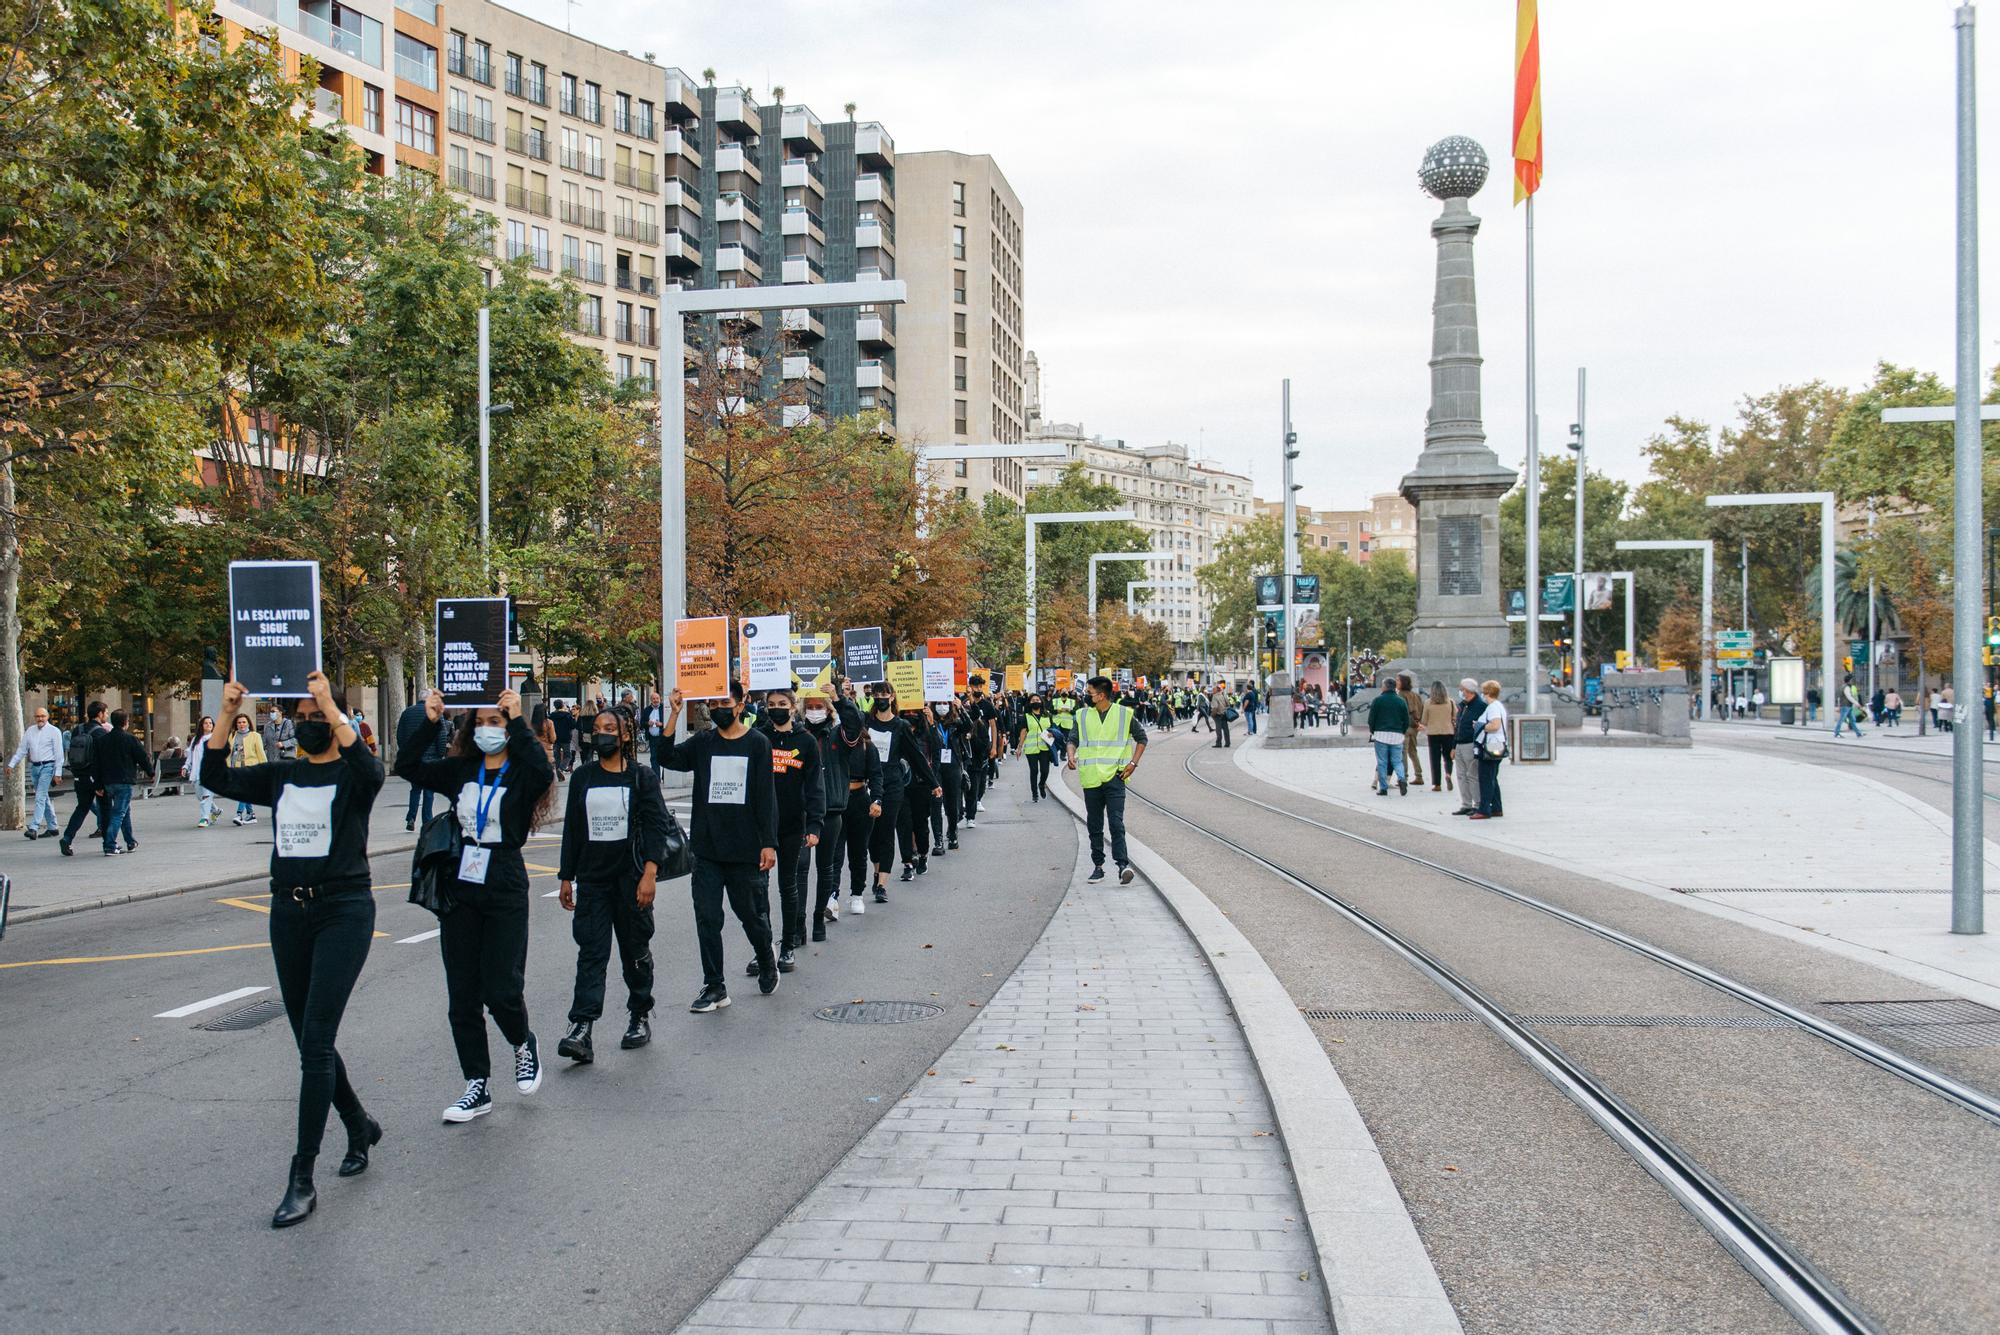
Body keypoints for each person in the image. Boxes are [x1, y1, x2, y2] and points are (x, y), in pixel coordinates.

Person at [200, 671, 385, 1228]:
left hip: (344, 910)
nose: (306, 726)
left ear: (334, 720)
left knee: (316, 1040)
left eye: (315, 718)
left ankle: (301, 1175)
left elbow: (373, 772)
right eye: (301, 718)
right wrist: (230, 712)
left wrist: (332, 706)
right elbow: (213, 776)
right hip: (288, 911)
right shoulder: (281, 776)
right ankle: (357, 1123)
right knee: (310, 1039)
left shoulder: (354, 777)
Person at [397, 687, 556, 1124]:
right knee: (462, 992)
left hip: (504, 879)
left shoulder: (522, 773)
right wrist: (429, 721)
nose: (488, 729)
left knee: (500, 986)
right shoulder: (461, 769)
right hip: (461, 882)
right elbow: (406, 767)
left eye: (496, 722)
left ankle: (523, 1042)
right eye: (482, 722)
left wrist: (520, 719)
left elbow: (544, 771)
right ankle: (476, 1084)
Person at [556, 708, 669, 1064]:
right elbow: (573, 829)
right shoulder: (583, 777)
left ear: (624, 736)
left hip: (632, 880)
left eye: (610, 729)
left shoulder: (641, 777)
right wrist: (565, 876)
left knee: (634, 951)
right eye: (598, 728)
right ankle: (582, 1027)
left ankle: (639, 1015)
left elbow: (656, 827)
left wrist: (650, 873)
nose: (602, 733)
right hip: (593, 880)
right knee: (591, 953)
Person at [658, 685, 780, 1013]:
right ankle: (715, 986)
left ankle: (766, 958)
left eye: (724, 702)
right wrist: (673, 712)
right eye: (713, 703)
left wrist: (768, 843)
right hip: (707, 849)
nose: (717, 708)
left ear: (741, 705)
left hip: (744, 850)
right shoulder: (704, 743)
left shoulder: (757, 744)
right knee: (707, 918)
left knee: (751, 916)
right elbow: (666, 757)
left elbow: (765, 796)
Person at [758, 687, 823, 971]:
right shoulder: (758, 739)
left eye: (782, 703)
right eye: (771, 704)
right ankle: (764, 948)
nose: (776, 708)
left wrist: (814, 824)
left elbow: (814, 787)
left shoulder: (806, 741)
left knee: (788, 886)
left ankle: (788, 945)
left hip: (792, 824)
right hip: (760, 827)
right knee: (758, 890)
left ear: (793, 707)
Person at [859, 688, 940, 906]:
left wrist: (933, 783)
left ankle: (883, 884)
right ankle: (876, 872)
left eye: (885, 694)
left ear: (892, 697)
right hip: (868, 786)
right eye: (877, 695)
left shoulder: (901, 726)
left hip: (892, 786)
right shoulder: (866, 722)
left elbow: (916, 756)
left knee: (886, 833)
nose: (881, 698)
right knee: (872, 837)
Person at [802, 685, 871, 940]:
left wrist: (838, 698)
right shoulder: (799, 735)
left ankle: (820, 916)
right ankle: (798, 923)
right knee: (798, 868)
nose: (814, 711)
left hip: (831, 808)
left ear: (828, 710)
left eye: (819, 707)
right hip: (802, 811)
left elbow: (855, 722)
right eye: (809, 707)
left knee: (826, 866)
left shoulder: (838, 736)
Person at [1068, 676, 1146, 884]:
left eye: (1090, 692)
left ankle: (1123, 865)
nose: (1086, 695)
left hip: (1115, 777)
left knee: (1115, 822)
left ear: (1101, 695)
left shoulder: (1124, 714)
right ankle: (1098, 866)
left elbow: (1142, 739)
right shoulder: (1083, 715)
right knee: (1094, 824)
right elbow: (1072, 739)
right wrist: (1070, 754)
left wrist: (1133, 764)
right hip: (1091, 777)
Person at [92, 709, 151, 855]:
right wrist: (151, 772)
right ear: (126, 722)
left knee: (125, 811)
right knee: (118, 813)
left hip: (107, 782)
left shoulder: (102, 740)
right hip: (124, 781)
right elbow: (142, 757)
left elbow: (96, 763)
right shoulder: (130, 739)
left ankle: (130, 841)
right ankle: (110, 844)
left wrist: (98, 784)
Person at [57, 701, 109, 856]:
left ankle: (67, 838)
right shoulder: (100, 733)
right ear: (99, 714)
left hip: (80, 776)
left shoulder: (77, 730)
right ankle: (108, 843)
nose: (106, 715)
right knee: (105, 809)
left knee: (82, 808)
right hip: (95, 777)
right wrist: (100, 782)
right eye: (105, 712)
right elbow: (102, 759)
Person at [8, 705, 64, 838]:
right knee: (43, 797)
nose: (40, 719)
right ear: (34, 717)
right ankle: (52, 827)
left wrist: (58, 773)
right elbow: (22, 750)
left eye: (43, 716)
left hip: (48, 767)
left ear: (48, 717)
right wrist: (11, 764)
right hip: (34, 767)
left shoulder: (54, 731)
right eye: (38, 716)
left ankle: (34, 827)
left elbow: (59, 754)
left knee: (39, 796)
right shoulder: (30, 731)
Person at [398, 697, 451, 831]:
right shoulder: (435, 713)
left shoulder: (407, 713)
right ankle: (427, 820)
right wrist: (441, 753)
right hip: (431, 758)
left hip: (415, 759)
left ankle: (411, 818)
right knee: (429, 792)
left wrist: (407, 752)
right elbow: (442, 734)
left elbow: (400, 735)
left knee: (415, 790)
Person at [930, 697, 969, 851]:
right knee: (935, 803)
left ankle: (952, 833)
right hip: (935, 767)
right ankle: (938, 841)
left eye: (945, 703)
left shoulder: (956, 722)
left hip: (953, 765)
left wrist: (961, 709)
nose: (942, 706)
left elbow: (968, 726)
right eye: (938, 703)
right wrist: (929, 719)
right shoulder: (929, 721)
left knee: (952, 804)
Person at [1470, 680, 1508, 819]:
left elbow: (1495, 725)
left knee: (1485, 777)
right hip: (1498, 744)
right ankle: (1496, 807)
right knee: (1492, 777)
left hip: (1490, 744)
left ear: (1487, 693)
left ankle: (1484, 809)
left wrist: (1479, 726)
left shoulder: (1492, 707)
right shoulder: (1498, 706)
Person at [1366, 676, 1410, 797]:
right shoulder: (1401, 701)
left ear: (1384, 687)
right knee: (1397, 761)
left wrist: (1373, 730)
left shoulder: (1378, 700)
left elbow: (1371, 719)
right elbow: (1406, 719)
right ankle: (1401, 779)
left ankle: (1383, 788)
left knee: (1382, 762)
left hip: (1381, 734)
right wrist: (1402, 731)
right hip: (1397, 735)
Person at [225, 712, 268, 826]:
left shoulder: (255, 736)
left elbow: (261, 753)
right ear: (236, 724)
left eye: (244, 722)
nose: (241, 724)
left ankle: (239, 814)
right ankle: (251, 814)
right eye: (239, 722)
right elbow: (228, 754)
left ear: (248, 723)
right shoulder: (232, 735)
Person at [1451, 678, 1483, 815]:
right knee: (1461, 775)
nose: (1461, 691)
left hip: (1470, 743)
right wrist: (1453, 746)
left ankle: (1477, 803)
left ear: (1468, 690)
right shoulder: (1463, 705)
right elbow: (1457, 726)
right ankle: (1466, 803)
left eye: (1462, 689)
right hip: (1459, 743)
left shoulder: (1480, 706)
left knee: (1472, 775)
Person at [183, 715, 221, 827]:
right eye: (206, 723)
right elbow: (190, 755)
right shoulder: (196, 739)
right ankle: (216, 810)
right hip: (197, 772)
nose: (208, 725)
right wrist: (186, 767)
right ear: (202, 725)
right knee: (200, 796)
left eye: (210, 723)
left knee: (206, 795)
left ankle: (204, 818)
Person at [1021, 694, 1057, 802]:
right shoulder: (1026, 716)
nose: (1035, 701)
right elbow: (1023, 731)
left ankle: (1041, 785)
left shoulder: (1048, 715)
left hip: (1045, 747)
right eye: (1033, 700)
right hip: (1031, 748)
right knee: (1034, 770)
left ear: (1041, 702)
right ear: (1029, 703)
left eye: (1037, 699)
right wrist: (1019, 747)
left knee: (1045, 770)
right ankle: (1034, 794)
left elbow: (1053, 728)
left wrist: (1052, 733)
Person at [1422, 682, 1456, 794]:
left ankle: (1437, 784)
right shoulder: (1450, 702)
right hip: (1448, 732)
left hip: (1433, 733)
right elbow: (1455, 716)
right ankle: (1448, 774)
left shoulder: (1428, 703)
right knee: (1448, 757)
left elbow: (1424, 720)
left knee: (1435, 759)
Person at [1397, 674, 1426, 786]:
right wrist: (1418, 723)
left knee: (1403, 752)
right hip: (1415, 728)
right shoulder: (1416, 695)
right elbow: (1422, 709)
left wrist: (1413, 723)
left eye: (1398, 680)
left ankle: (1403, 777)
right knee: (1413, 751)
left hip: (1406, 727)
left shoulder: (1400, 695)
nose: (1396, 682)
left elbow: (1404, 713)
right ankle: (1419, 775)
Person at [1209, 682, 1233, 749]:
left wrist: (1212, 715)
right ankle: (1227, 743)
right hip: (1224, 714)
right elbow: (1228, 704)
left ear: (1217, 690)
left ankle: (1218, 743)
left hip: (1218, 715)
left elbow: (1215, 707)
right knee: (1226, 729)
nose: (1212, 691)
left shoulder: (1215, 697)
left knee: (1218, 729)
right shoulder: (1223, 695)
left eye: (1214, 689)